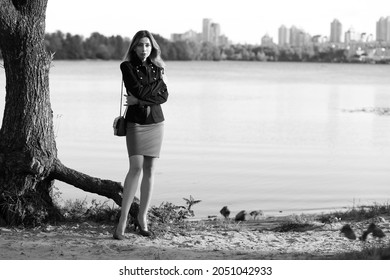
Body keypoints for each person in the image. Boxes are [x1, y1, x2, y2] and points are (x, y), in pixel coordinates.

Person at [114, 30, 168, 240]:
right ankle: (123, 220)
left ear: (152, 47)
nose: (144, 49)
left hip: (156, 122)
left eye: (147, 45)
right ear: (134, 47)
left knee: (150, 170)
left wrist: (141, 100)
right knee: (135, 168)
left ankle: (142, 218)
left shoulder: (158, 67)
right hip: (135, 123)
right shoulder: (126, 67)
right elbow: (134, 88)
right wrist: (151, 92)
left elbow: (164, 95)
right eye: (140, 45)